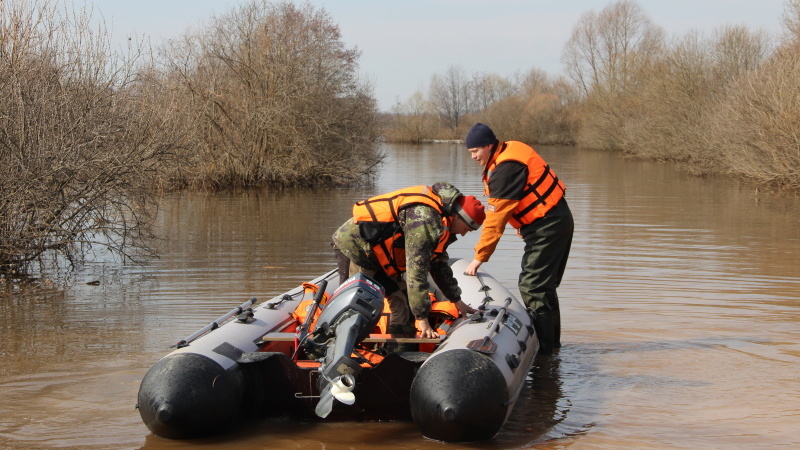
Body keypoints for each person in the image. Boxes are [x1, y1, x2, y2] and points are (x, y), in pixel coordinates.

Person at [463, 123, 574, 355]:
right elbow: (526, 195)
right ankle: (553, 348)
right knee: (543, 287)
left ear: (488, 145)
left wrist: (478, 258)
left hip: (549, 226)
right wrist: (524, 223)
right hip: (553, 219)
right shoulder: (511, 149)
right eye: (471, 152)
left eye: (475, 151)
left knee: (533, 286)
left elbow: (496, 220)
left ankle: (544, 351)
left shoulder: (505, 169)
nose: (473, 157)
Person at [332, 182, 484, 339]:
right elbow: (416, 270)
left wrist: (457, 300)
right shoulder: (424, 220)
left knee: (403, 302)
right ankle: (334, 345)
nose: (464, 234)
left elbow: (438, 265)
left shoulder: (441, 221)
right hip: (358, 247)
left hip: (382, 256)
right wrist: (422, 318)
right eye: (467, 229)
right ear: (457, 217)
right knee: (358, 304)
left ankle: (398, 355)